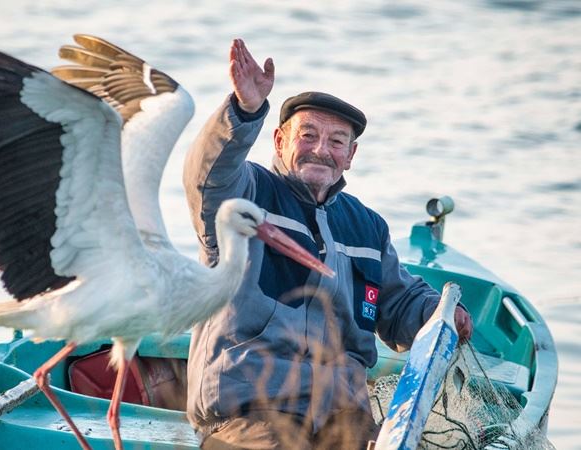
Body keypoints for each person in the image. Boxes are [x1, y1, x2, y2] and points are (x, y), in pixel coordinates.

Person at [182, 38, 473, 450]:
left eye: (336, 141)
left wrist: (440, 313)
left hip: (343, 417)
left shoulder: (367, 226)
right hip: (252, 411)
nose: (321, 150)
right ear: (280, 141)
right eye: (308, 135)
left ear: (350, 155)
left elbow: (398, 301)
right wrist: (244, 111)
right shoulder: (245, 194)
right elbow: (206, 174)